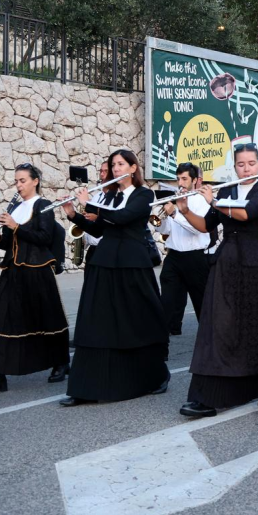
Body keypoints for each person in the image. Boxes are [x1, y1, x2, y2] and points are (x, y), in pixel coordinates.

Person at [177, 144, 258, 418]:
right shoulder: (227, 191)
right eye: (241, 164)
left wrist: (213, 202)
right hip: (227, 263)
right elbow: (207, 225)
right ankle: (209, 395)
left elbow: (247, 215)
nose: (246, 168)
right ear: (235, 167)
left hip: (256, 263)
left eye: (251, 163)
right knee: (218, 327)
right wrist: (185, 210)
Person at [60, 150, 170, 406]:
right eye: (113, 165)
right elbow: (99, 227)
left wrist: (90, 204)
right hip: (105, 261)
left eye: (121, 164)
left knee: (137, 321)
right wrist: (73, 214)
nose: (116, 169)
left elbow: (123, 218)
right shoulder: (108, 195)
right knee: (96, 323)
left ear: (133, 168)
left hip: (132, 262)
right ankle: (85, 387)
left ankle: (154, 376)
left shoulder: (143, 194)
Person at [0, 163, 70, 395]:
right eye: (16, 181)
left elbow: (44, 237)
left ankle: (60, 362)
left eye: (22, 180)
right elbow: (11, 242)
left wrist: (16, 227)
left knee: (47, 316)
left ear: (35, 181)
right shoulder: (16, 208)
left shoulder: (44, 205)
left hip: (37, 269)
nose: (18, 185)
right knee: (4, 317)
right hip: (13, 270)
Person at [159, 162, 210, 337]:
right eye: (178, 178)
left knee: (202, 304)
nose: (180, 183)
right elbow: (164, 231)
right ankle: (161, 349)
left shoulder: (202, 201)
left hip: (195, 258)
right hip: (173, 257)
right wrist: (163, 217)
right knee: (166, 303)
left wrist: (176, 213)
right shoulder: (174, 198)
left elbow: (197, 229)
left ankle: (210, 347)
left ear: (195, 180)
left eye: (184, 179)